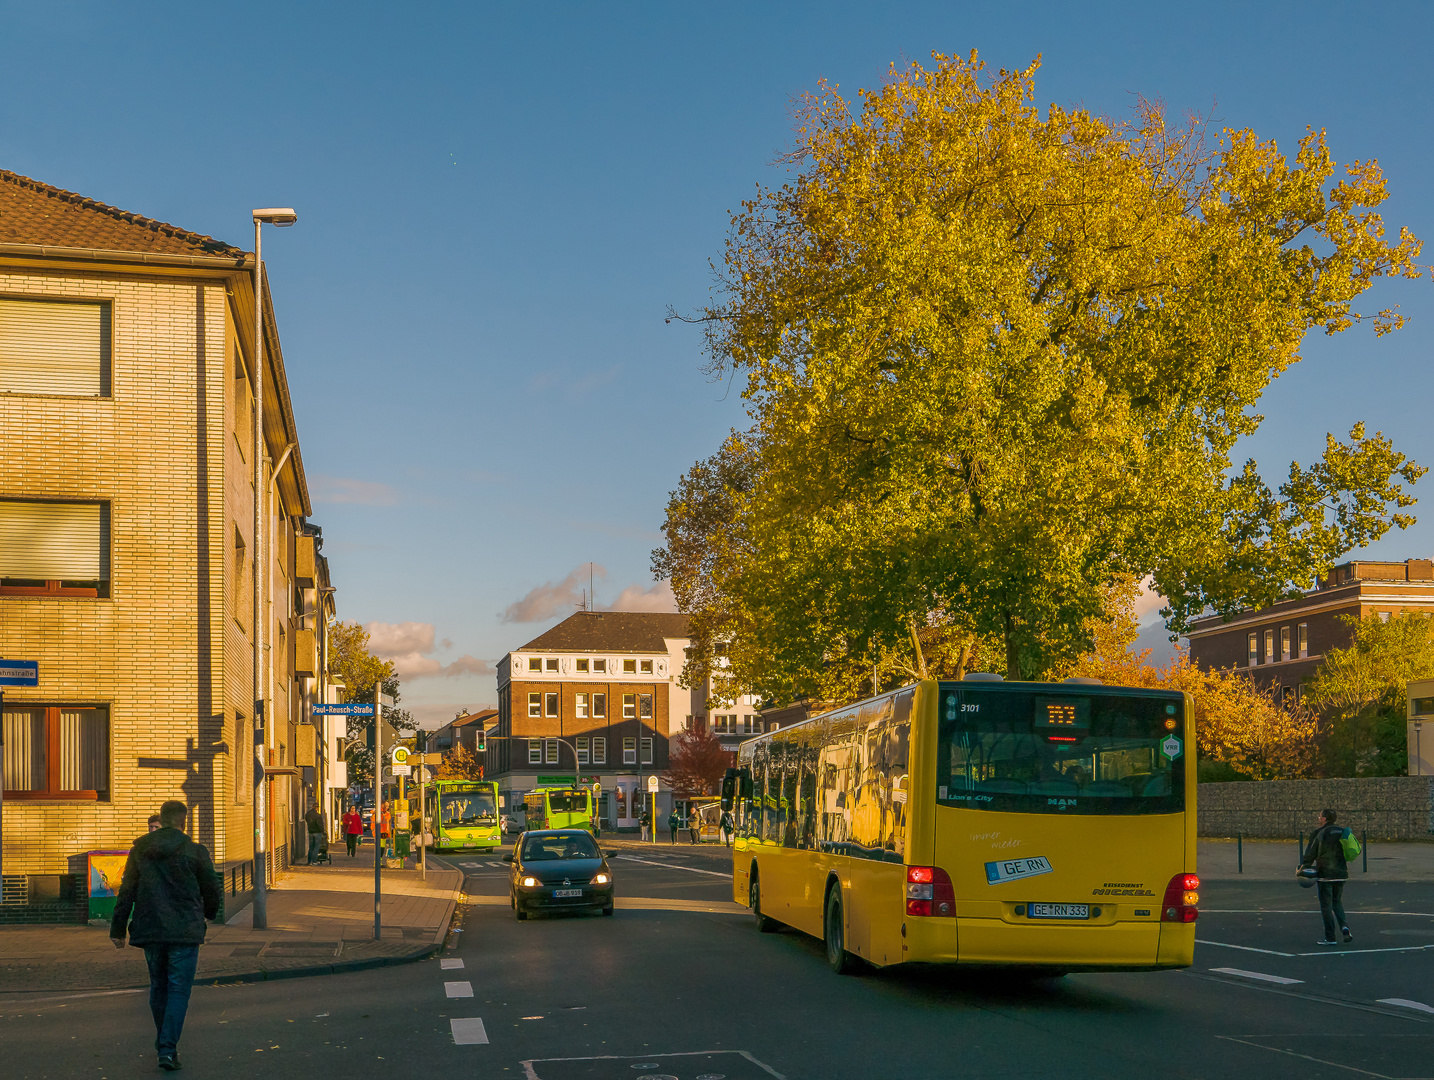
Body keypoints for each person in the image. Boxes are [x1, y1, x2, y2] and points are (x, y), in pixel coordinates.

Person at [110, 800, 220, 1072]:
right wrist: (209, 913)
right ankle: (168, 1049)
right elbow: (212, 888)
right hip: (184, 931)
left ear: (161, 818)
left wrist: (117, 928)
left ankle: (164, 1044)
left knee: (158, 987)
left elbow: (127, 891)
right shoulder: (195, 851)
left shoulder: (141, 851)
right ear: (184, 821)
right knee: (178, 990)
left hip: (151, 930)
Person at [1300, 807, 1352, 946]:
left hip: (1325, 873)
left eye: (1319, 816)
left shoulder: (1319, 832)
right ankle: (1345, 927)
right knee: (1337, 901)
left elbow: (1311, 852)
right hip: (1341, 872)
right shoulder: (1342, 831)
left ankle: (1330, 937)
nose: (1318, 818)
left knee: (1326, 906)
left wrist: (1304, 867)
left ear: (1323, 818)